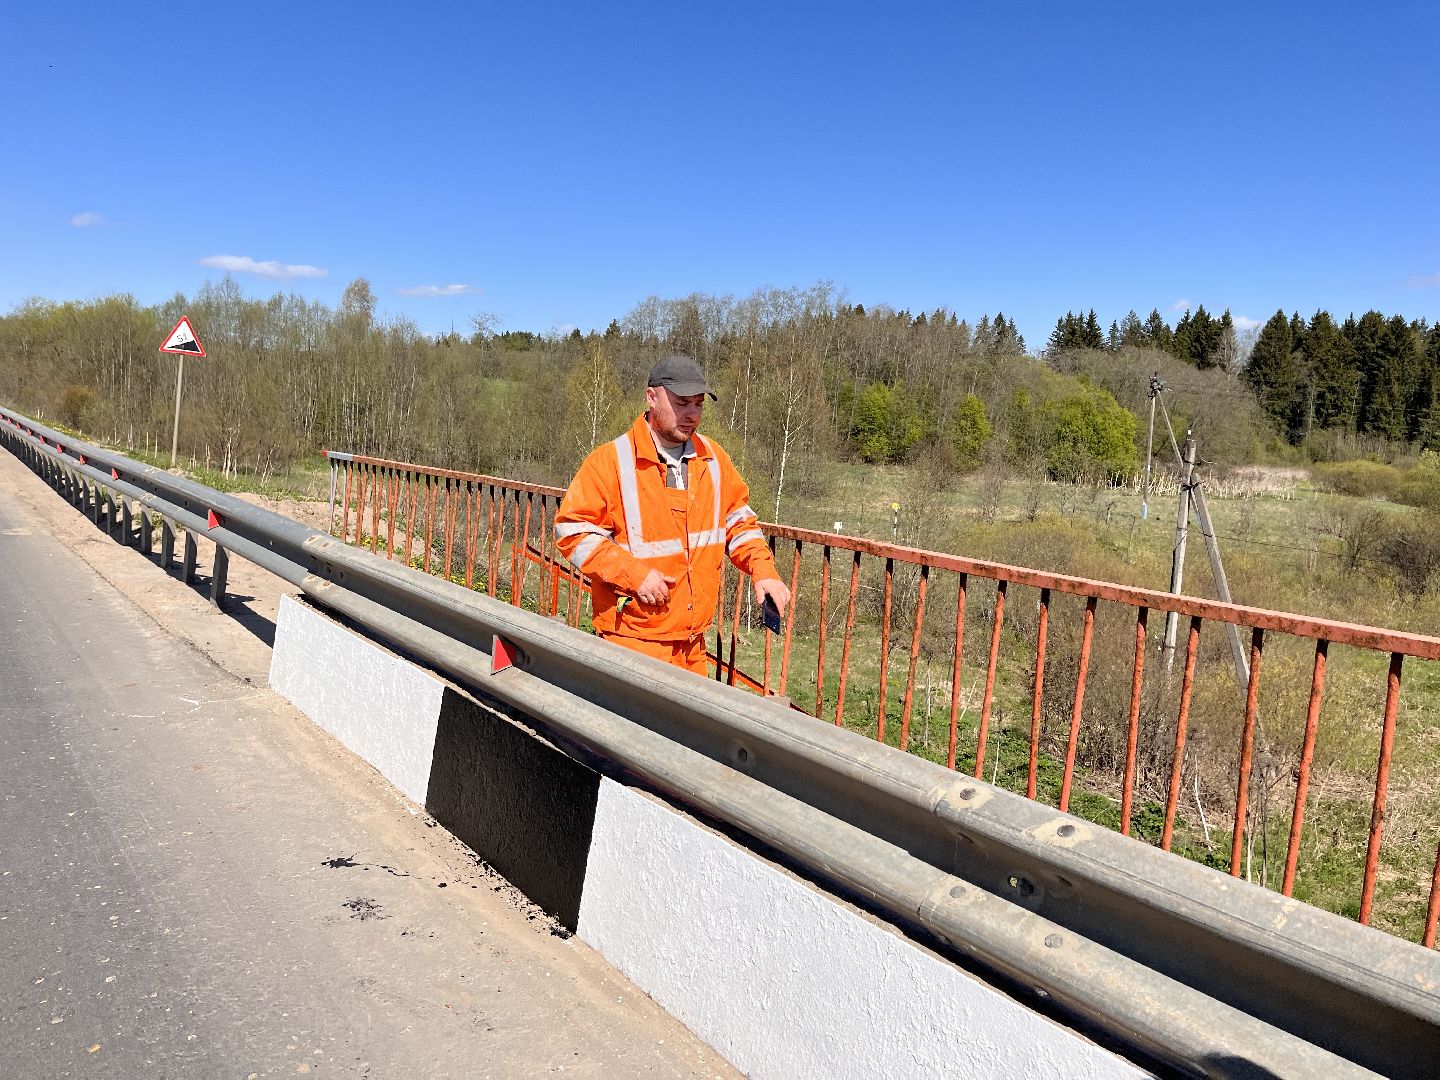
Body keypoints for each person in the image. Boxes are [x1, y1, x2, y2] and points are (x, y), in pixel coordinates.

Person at [555, 354, 791, 674]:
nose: (692, 414)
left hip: (693, 642)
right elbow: (572, 532)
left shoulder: (712, 459)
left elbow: (739, 522)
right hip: (633, 639)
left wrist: (763, 570)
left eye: (698, 404)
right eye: (681, 403)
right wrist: (634, 575)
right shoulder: (611, 461)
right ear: (652, 397)